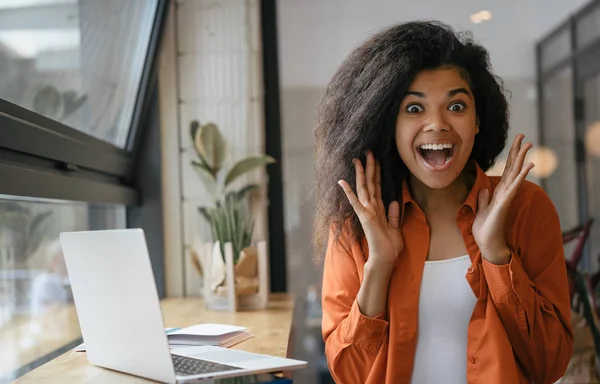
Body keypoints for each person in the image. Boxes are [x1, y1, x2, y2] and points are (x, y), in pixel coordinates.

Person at [314, 21, 573, 384]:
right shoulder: (355, 222)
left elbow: (551, 363)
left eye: (456, 105)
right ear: (388, 123)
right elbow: (349, 375)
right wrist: (380, 265)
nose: (437, 124)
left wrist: (496, 254)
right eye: (414, 109)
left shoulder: (526, 207)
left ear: (478, 120)